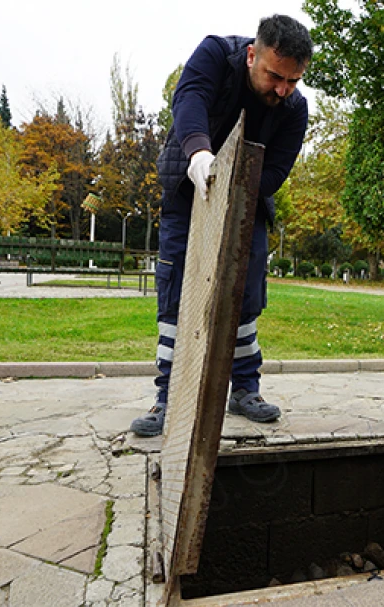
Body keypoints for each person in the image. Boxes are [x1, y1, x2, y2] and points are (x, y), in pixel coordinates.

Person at [131, 15, 312, 437]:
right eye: (274, 76)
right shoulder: (215, 53)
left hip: (248, 201)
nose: (283, 89)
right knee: (175, 293)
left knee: (246, 296)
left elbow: (277, 169)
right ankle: (169, 396)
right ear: (253, 54)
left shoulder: (294, 108)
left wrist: (234, 190)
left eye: (293, 80)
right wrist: (198, 154)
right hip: (186, 188)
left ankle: (245, 389)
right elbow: (189, 99)